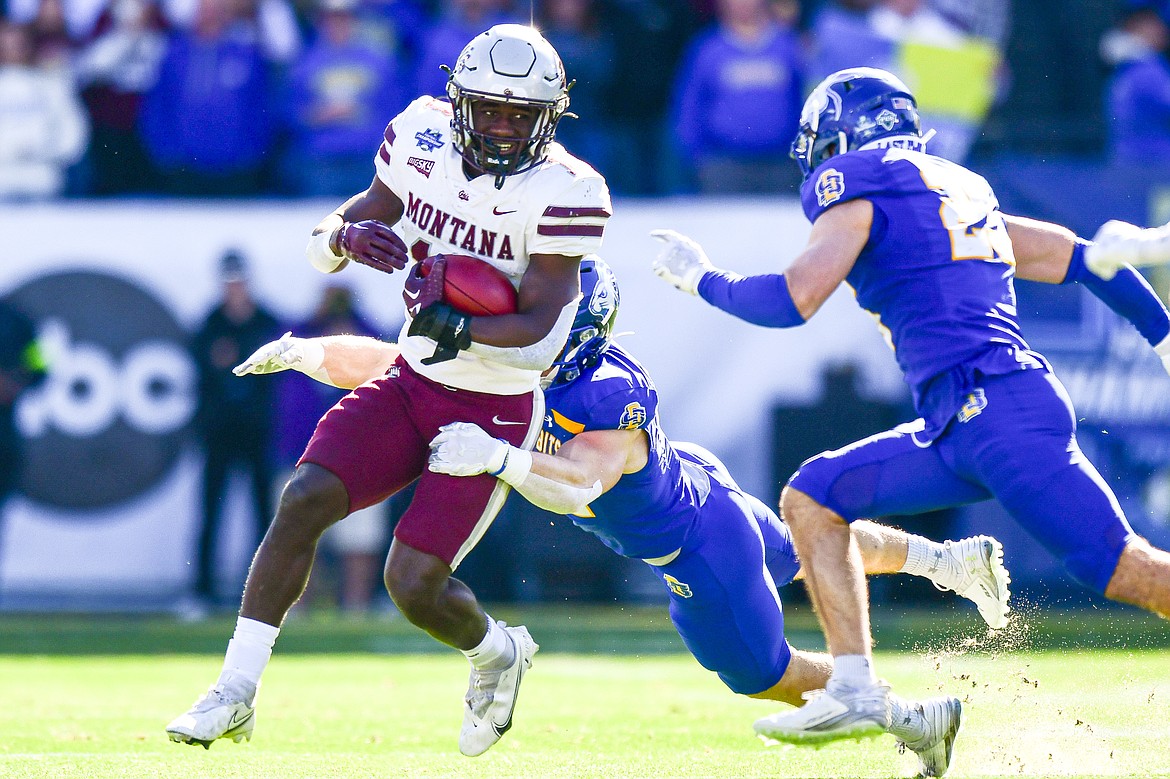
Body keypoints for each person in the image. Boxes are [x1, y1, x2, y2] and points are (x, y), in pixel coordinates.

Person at [231, 257, 1013, 777]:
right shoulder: (519, 364)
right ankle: (946, 561)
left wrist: (498, 457)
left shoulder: (604, 396)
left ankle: (914, 717)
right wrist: (307, 352)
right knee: (804, 550)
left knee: (760, 673)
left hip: (695, 550)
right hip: (702, 495)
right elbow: (393, 363)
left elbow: (575, 483)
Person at [649, 67, 1170, 749]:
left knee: (1124, 568)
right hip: (968, 416)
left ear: (844, 135)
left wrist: (700, 279)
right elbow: (1083, 259)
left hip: (995, 409)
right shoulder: (958, 188)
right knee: (814, 496)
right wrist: (1161, 336)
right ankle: (856, 684)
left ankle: (858, 681)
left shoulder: (858, 178)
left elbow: (793, 299)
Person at [166, 24, 611, 758]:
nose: (501, 126)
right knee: (305, 494)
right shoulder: (419, 135)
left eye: (519, 114)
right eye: (489, 109)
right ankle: (236, 689)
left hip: (492, 403)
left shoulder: (568, 190)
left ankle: (498, 650)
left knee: (412, 583)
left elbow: (542, 335)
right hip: (412, 376)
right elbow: (330, 232)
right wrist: (345, 239)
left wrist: (462, 330)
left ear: (549, 117)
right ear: (458, 102)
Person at [187, 250, 283, 613]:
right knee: (211, 511)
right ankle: (202, 591)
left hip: (259, 433)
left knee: (265, 515)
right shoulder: (210, 323)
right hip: (220, 433)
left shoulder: (267, 320)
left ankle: (264, 594)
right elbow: (199, 372)